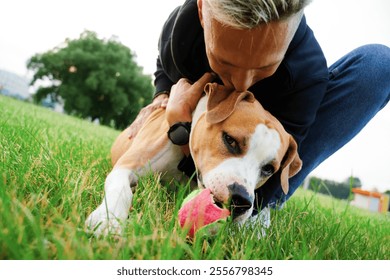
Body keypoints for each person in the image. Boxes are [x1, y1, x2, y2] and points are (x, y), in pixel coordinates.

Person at [128, 0, 390, 218]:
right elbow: (165, 62)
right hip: (210, 134)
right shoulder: (183, 29)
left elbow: (273, 166)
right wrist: (162, 96)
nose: (242, 85)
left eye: (264, 68)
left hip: (276, 127)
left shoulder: (306, 76)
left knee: (379, 65)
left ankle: (260, 210)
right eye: (224, 62)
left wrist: (181, 128)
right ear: (202, 14)